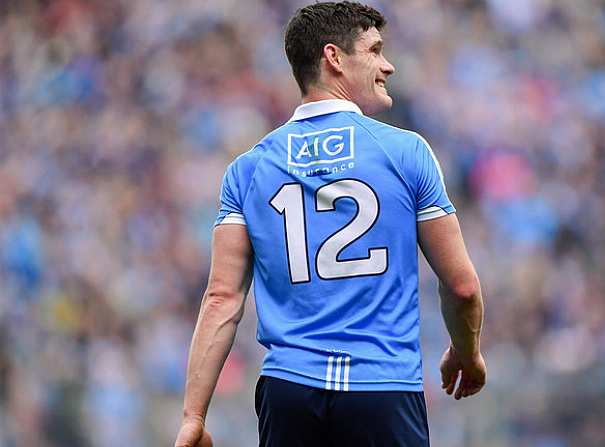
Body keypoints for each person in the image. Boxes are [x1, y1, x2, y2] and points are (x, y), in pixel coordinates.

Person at [174, 2, 485, 446]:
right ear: (334, 57)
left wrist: (192, 416)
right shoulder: (405, 152)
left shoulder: (247, 169)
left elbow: (221, 298)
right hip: (382, 390)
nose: (388, 65)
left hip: (290, 395)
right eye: (375, 50)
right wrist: (467, 353)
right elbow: (462, 287)